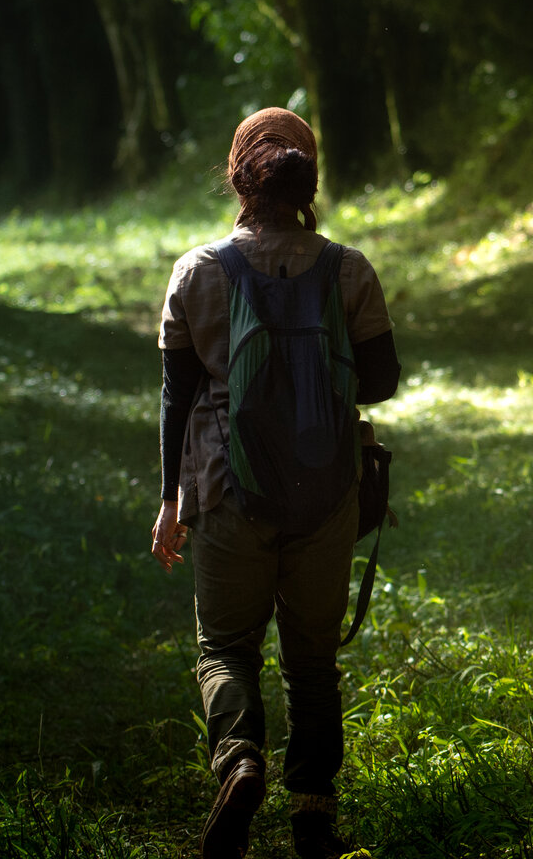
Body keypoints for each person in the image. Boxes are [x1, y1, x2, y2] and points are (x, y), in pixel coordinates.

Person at [151, 107, 401, 858]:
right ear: (308, 183)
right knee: (312, 659)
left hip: (226, 487)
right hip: (328, 490)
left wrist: (170, 501)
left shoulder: (198, 271)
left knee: (226, 647)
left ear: (238, 179)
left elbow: (176, 398)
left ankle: (240, 760)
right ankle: (314, 810)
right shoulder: (349, 269)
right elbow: (382, 382)